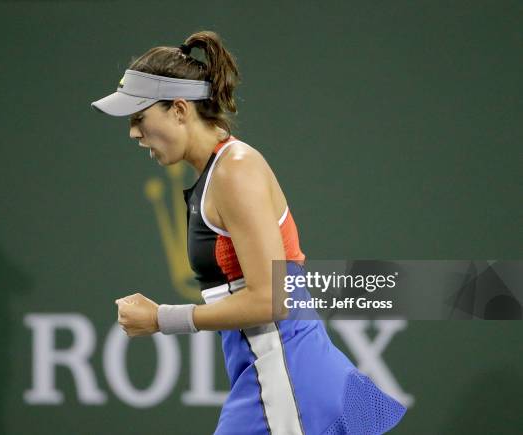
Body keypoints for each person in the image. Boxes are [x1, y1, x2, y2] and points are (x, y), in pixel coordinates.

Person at [91, 30, 406, 435]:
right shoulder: (219, 172)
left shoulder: (235, 170)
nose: (133, 133)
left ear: (180, 110)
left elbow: (271, 301)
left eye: (139, 117)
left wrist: (161, 319)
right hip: (286, 379)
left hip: (290, 387)